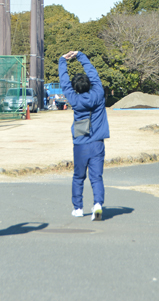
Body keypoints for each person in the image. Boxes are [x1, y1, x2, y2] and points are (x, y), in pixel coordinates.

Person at [58, 51, 110, 221]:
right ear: (89, 84)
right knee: (96, 177)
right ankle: (97, 205)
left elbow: (64, 82)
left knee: (78, 177)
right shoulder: (99, 94)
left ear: (75, 88)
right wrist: (80, 56)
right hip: (97, 143)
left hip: (80, 143)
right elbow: (94, 75)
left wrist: (62, 61)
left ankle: (78, 208)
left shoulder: (74, 99)